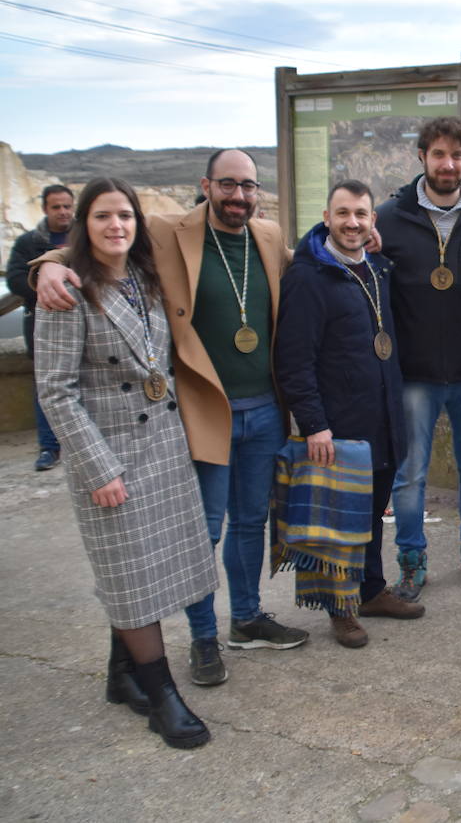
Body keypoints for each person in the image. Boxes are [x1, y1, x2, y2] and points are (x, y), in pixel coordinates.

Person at [33, 149, 310, 686]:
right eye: (228, 185)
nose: (239, 196)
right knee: (199, 531)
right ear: (206, 185)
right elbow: (93, 243)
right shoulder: (163, 229)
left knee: (251, 523)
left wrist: (363, 238)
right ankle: (203, 638)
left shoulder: (270, 237)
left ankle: (247, 618)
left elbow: (312, 260)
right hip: (203, 410)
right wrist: (45, 265)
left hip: (266, 410)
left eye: (249, 186)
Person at [36, 178, 218, 749]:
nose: (116, 226)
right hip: (110, 458)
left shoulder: (143, 278)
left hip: (162, 446)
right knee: (130, 578)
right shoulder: (67, 291)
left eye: (125, 216)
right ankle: (162, 695)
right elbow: (56, 391)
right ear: (82, 226)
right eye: (102, 217)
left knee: (157, 569)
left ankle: (122, 675)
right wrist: (98, 469)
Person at [275, 181, 421, 647]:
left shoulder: (378, 269)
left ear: (372, 220)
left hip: (382, 418)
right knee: (339, 522)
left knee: (374, 513)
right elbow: (293, 360)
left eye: (361, 213)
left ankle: (372, 590)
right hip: (336, 425)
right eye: (343, 213)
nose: (352, 222)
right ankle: (340, 609)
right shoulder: (308, 276)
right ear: (326, 216)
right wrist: (314, 424)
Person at [375, 117, 461, 600]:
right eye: (438, 155)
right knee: (409, 474)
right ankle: (411, 561)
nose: (448, 165)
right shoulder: (386, 219)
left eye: (457, 156)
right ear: (422, 157)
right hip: (412, 373)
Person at [7, 184, 74, 471]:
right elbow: (15, 279)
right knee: (45, 388)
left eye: (67, 206)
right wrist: (49, 287)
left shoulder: (87, 237)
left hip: (84, 323)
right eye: (56, 207)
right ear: (45, 209)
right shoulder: (29, 242)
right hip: (42, 324)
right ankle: (50, 448)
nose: (62, 212)